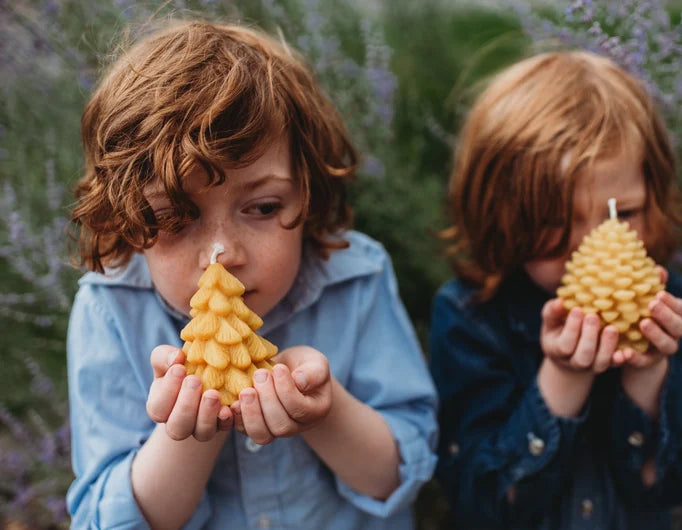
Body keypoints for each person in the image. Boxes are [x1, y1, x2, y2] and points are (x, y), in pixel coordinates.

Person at [66, 20, 438, 529]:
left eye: (262, 208)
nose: (222, 255)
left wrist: (326, 413)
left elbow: (399, 474)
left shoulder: (356, 277)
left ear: (307, 195)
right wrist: (192, 424)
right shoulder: (109, 310)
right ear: (129, 222)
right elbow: (107, 519)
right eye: (176, 217)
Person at [429, 50, 682, 529]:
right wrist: (563, 378)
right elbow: (484, 505)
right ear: (496, 211)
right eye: (552, 220)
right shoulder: (470, 315)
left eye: (621, 214)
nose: (592, 244)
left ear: (653, 198)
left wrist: (649, 378)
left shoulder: (671, 308)